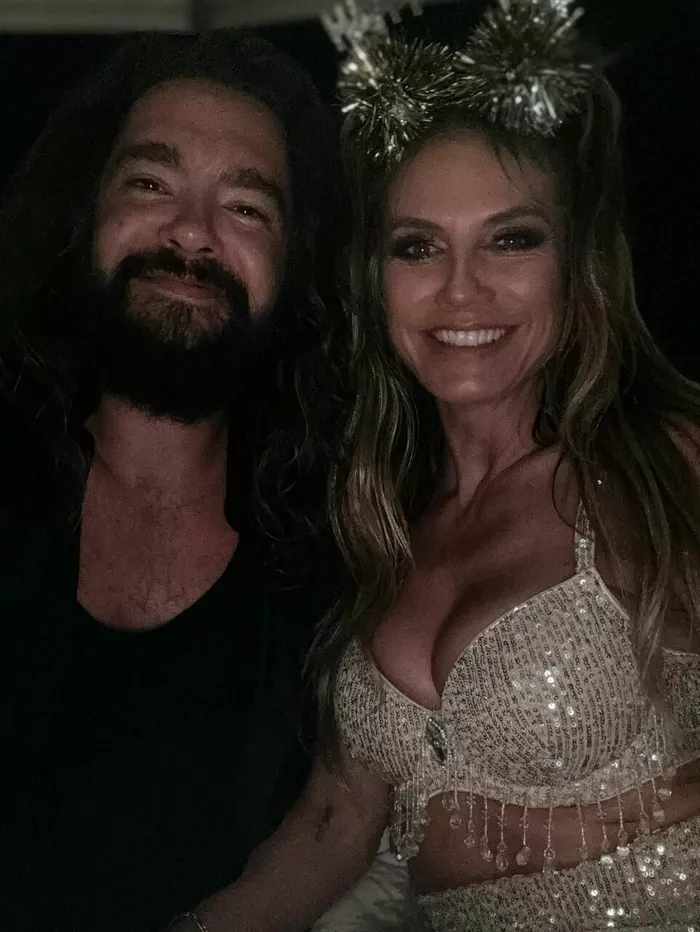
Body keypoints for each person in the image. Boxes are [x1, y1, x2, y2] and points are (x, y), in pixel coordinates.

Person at [181, 1, 700, 930]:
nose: (462, 290)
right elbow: (330, 826)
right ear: (374, 279)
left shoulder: (660, 465)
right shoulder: (374, 525)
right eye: (417, 246)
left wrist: (640, 819)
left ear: (574, 266)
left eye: (511, 239)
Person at [0, 29, 348, 932]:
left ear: (294, 264)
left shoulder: (343, 551)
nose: (192, 233)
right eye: (151, 184)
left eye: (246, 207)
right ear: (84, 215)